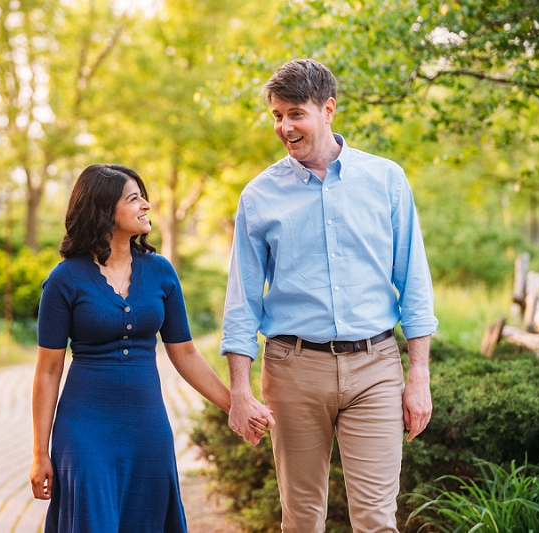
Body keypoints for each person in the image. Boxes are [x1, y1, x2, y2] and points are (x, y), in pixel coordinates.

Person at [222, 59, 438, 532]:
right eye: (277, 115)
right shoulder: (259, 195)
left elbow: (415, 283)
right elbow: (242, 302)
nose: (284, 127)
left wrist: (418, 375)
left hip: (375, 367)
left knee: (377, 519)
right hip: (293, 369)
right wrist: (239, 390)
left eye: (295, 113)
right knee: (301, 521)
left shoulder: (385, 180)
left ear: (328, 109)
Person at [29, 163, 270, 533]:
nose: (146, 205)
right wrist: (39, 453)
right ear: (103, 210)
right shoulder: (64, 280)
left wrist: (235, 406)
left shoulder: (160, 271)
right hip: (84, 431)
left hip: (148, 427)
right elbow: (47, 371)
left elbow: (185, 353)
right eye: (134, 198)